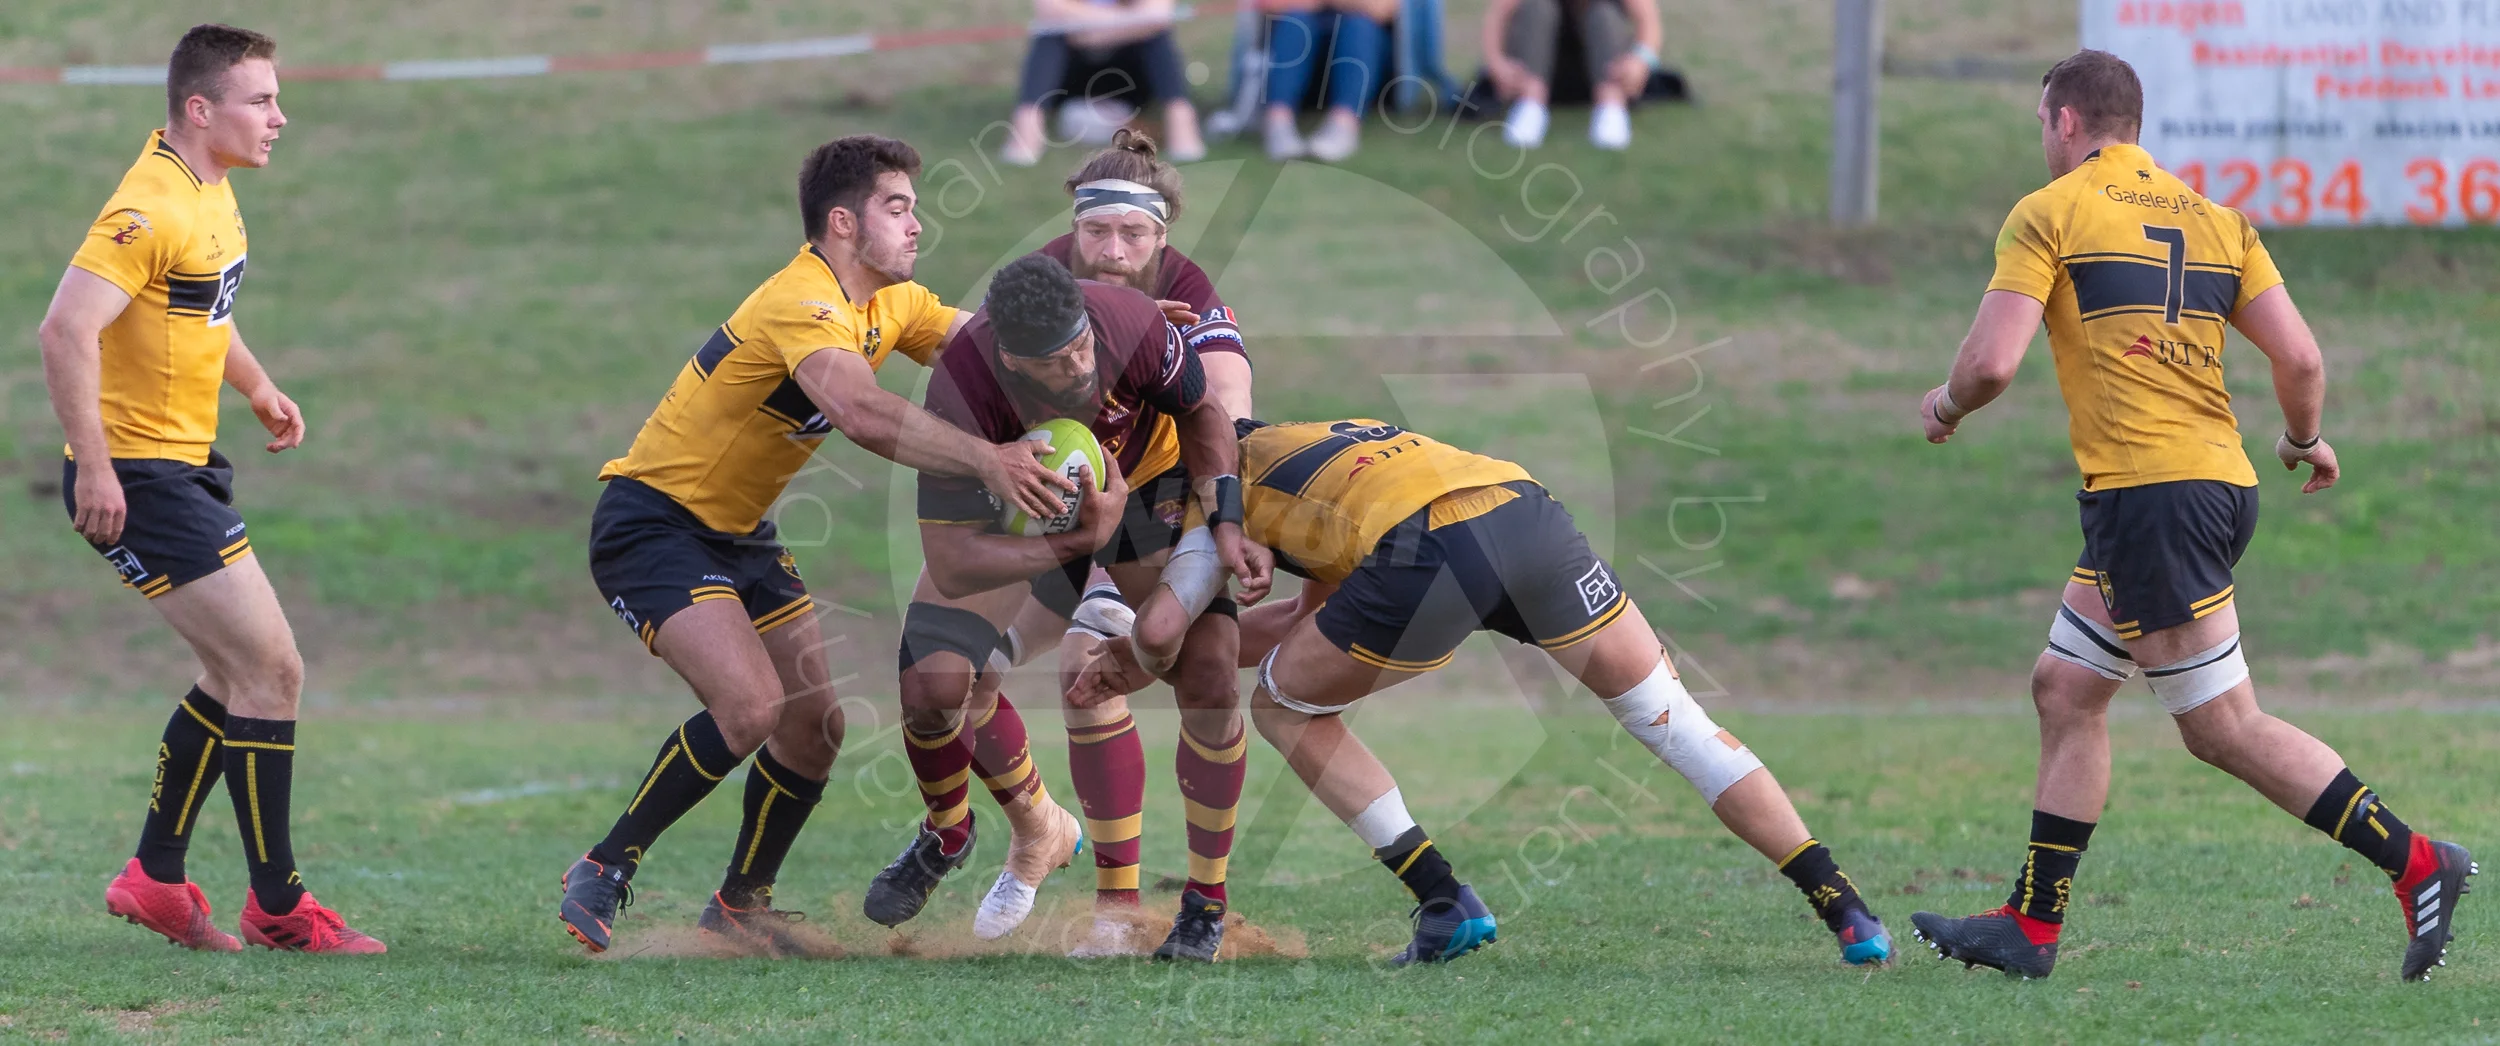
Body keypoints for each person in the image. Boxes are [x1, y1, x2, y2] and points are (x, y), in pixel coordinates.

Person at [1907, 50, 2475, 982]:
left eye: (2041, 125)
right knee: (2066, 688)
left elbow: (1990, 365)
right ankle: (2031, 927)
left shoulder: (2049, 213)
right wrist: (2303, 440)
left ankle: (2418, 862)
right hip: (2207, 485)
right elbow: (2300, 360)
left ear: (2064, 122)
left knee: (2223, 728)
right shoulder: (2217, 221)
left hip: (2152, 499)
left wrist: (1943, 408)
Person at [1071, 419, 1894, 967]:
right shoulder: (1311, 446)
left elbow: (1177, 629)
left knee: (1283, 708)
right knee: (1675, 721)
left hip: (1427, 547)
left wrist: (1136, 658)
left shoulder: (1208, 500)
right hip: (1525, 514)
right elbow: (1299, 627)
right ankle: (1847, 912)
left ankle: (1444, 900)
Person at [554, 136, 1075, 955]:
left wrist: (1111, 331)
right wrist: (990, 460)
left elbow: (993, 345)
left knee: (814, 727)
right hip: (651, 522)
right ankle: (605, 864)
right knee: (751, 708)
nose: (917, 225)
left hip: (741, 535)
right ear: (843, 223)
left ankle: (741, 904)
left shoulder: (891, 302)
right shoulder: (804, 301)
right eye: (897, 208)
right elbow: (862, 414)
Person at [41, 23, 384, 956]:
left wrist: (258, 384)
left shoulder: (212, 192)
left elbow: (198, 307)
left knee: (234, 672)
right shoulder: (151, 204)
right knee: (271, 673)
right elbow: (65, 330)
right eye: (261, 101)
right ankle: (278, 907)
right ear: (202, 109)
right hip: (141, 477)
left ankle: (155, 878)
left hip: (184, 467)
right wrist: (97, 462)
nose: (281, 117)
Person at [865, 256, 1263, 953]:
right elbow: (954, 566)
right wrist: (1081, 539)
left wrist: (1225, 521)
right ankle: (950, 830)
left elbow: (1202, 412)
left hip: (1146, 491)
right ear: (1012, 358)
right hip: (1027, 517)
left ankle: (1204, 901)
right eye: (1057, 361)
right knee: (932, 686)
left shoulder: (1127, 322)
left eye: (1082, 344)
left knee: (1209, 670)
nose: (1081, 366)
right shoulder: (962, 384)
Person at [973, 131, 1260, 957]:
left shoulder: (1192, 294)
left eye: (1133, 235)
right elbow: (975, 350)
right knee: (968, 673)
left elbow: (1226, 405)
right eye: (1096, 232)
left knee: (1188, 675)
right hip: (1062, 504)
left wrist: (1228, 516)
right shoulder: (1039, 283)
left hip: (1166, 506)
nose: (1112, 250)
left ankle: (1178, 905)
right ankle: (1066, 862)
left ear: (1162, 237)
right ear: (1074, 227)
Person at [1003, 0, 1207, 168]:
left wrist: (1089, 27)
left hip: (1128, 75)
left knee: (1158, 39)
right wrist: (1126, 22)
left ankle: (1180, 122)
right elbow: (1049, 10)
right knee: (1049, 36)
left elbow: (1157, 13)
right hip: (1070, 76)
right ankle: (1027, 127)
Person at [1482, 0, 1662, 150]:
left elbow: (1648, 21)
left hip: (1597, 68)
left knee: (1604, 14)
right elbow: (1497, 16)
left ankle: (1611, 109)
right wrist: (1497, 64)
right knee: (1537, 8)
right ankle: (1529, 107)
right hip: (1543, 68)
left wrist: (1640, 61)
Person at [1259, 0, 1399, 162]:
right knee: (1296, 20)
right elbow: (1271, 5)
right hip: (1304, 64)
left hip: (1366, 63)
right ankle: (1278, 124)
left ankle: (1343, 125)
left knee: (1360, 25)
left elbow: (1382, 9)